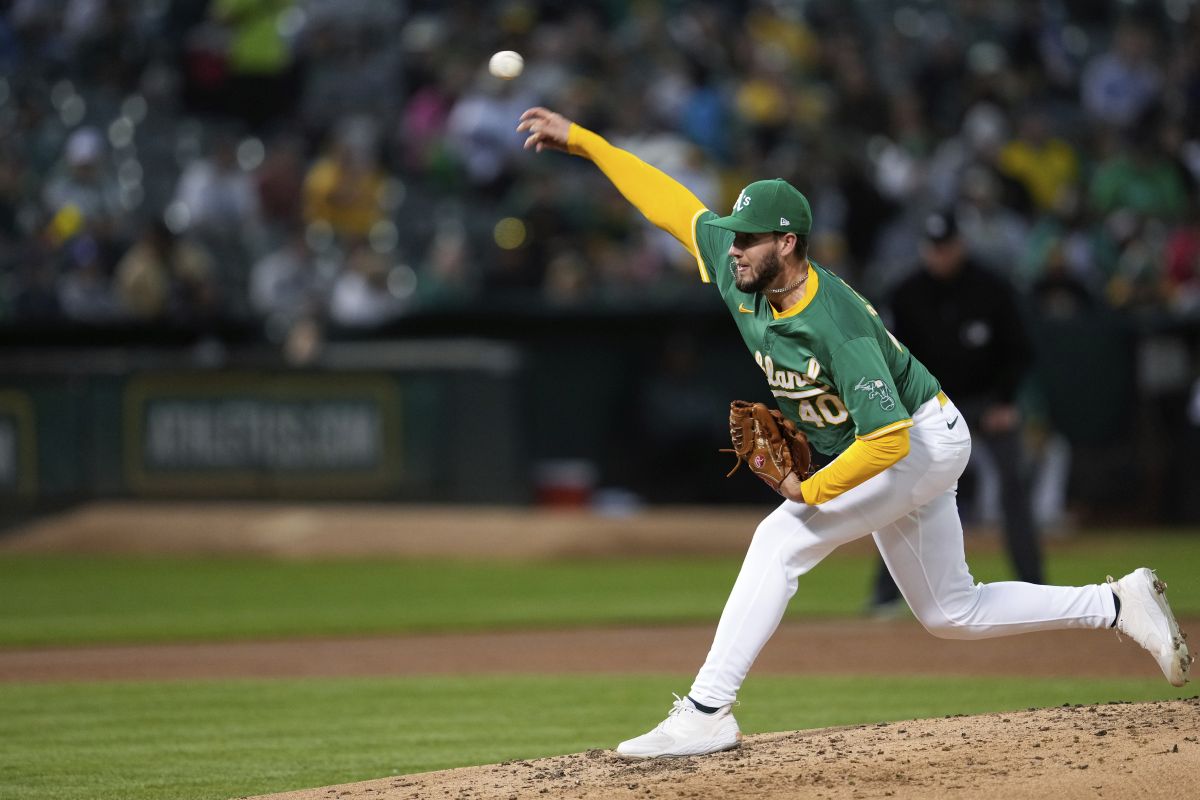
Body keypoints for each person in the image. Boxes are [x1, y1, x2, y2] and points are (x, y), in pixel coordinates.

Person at [516, 106, 1192, 760]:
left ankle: (704, 712)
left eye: (750, 236)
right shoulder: (735, 262)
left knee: (780, 538)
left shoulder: (832, 321)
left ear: (788, 243)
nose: (734, 243)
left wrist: (810, 489)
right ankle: (1116, 602)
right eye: (735, 233)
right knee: (950, 611)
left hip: (921, 441)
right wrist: (583, 141)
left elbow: (890, 439)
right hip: (901, 448)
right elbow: (667, 202)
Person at [868, 211, 1043, 615]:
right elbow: (886, 357)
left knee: (1013, 489)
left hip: (986, 403)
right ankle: (885, 594)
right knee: (901, 493)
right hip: (928, 408)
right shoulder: (906, 293)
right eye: (933, 248)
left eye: (946, 247)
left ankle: (1035, 584)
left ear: (959, 245)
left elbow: (1020, 351)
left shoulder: (993, 288)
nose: (940, 256)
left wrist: (1005, 401)